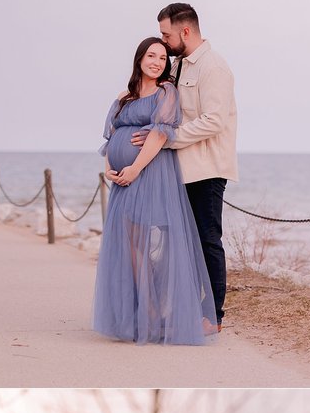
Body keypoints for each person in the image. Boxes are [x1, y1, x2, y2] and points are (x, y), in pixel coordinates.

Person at [93, 36, 218, 344]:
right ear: (139, 59)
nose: (157, 62)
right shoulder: (124, 97)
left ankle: (159, 311)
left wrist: (135, 168)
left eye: (162, 59)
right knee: (130, 245)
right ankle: (143, 311)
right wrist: (110, 167)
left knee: (152, 242)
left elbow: (160, 135)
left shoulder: (166, 92)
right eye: (152, 56)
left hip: (150, 174)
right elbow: (111, 138)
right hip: (122, 179)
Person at [131, 3, 237, 331]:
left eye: (167, 34)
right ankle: (179, 308)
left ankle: (212, 316)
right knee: (181, 243)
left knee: (207, 240)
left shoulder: (213, 67)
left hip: (206, 168)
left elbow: (213, 121)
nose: (164, 41)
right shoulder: (178, 67)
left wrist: (167, 138)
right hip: (179, 169)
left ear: (185, 31)